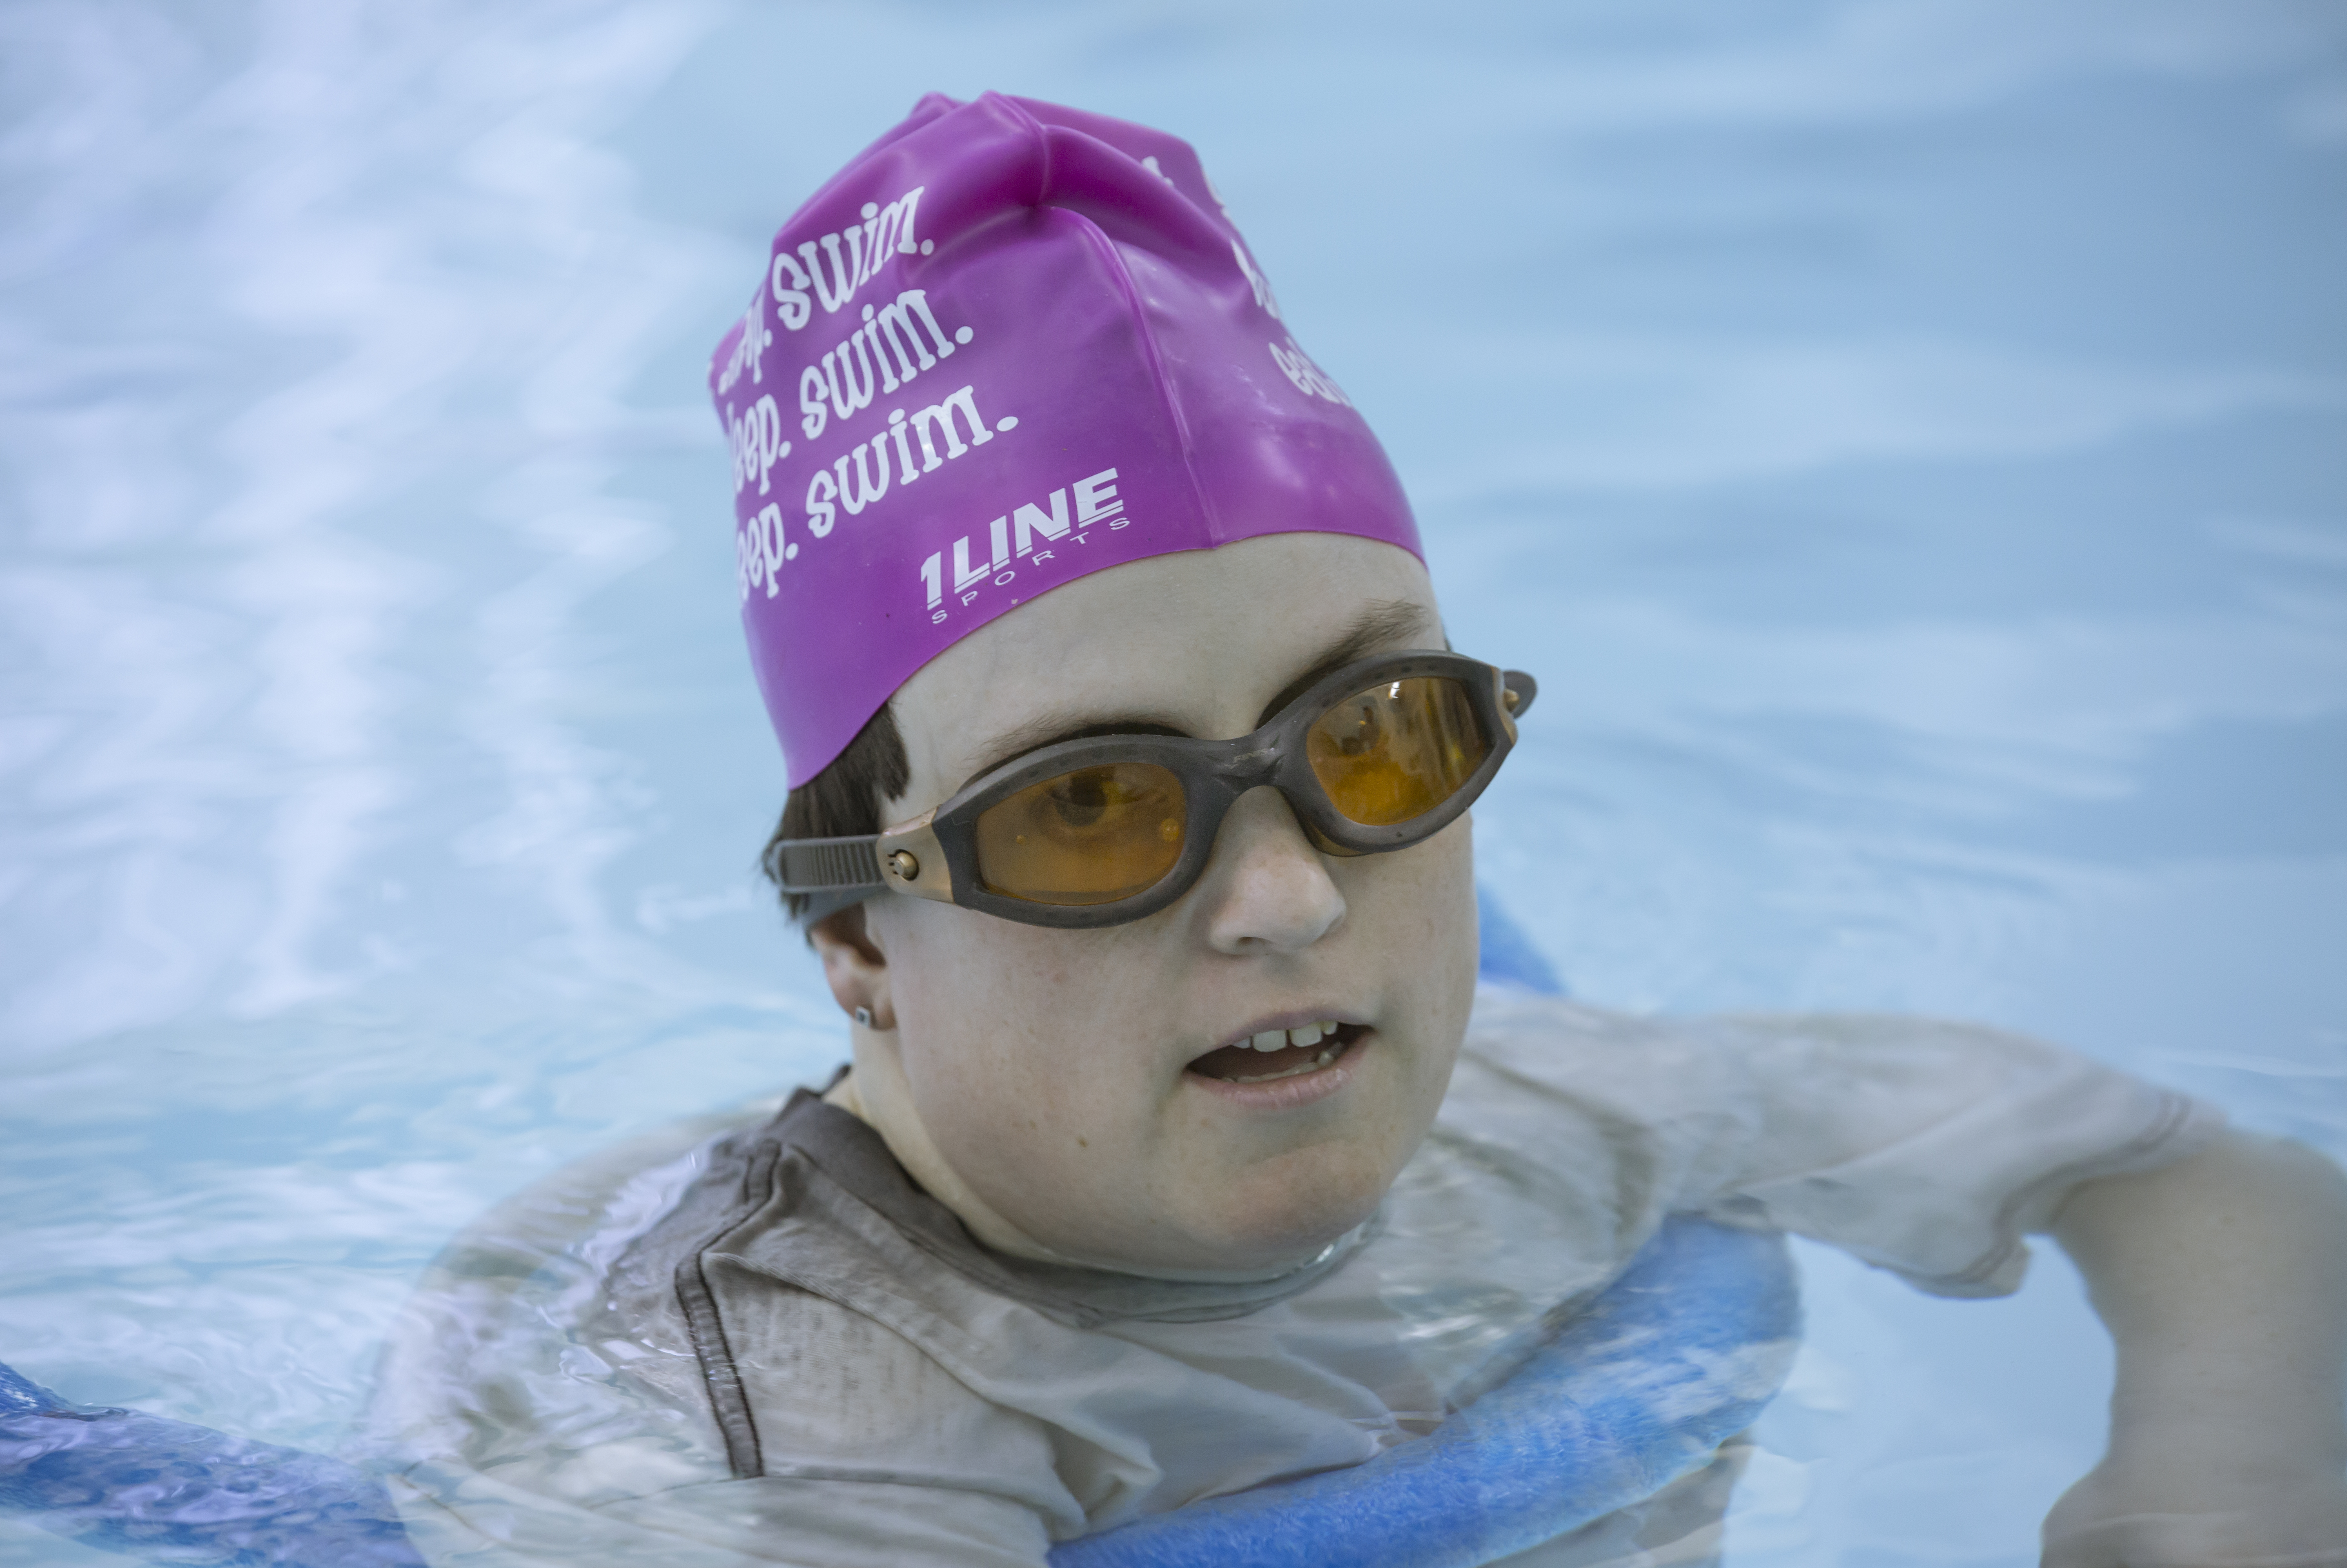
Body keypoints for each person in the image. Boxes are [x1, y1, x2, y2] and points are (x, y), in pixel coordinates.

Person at [365, 92, 2347, 1568]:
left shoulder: (1536, 1114)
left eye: (1379, 735)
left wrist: (2218, 1472)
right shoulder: (805, 1431)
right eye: (1090, 808)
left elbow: (2187, 1172)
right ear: (859, 947)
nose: (1293, 893)